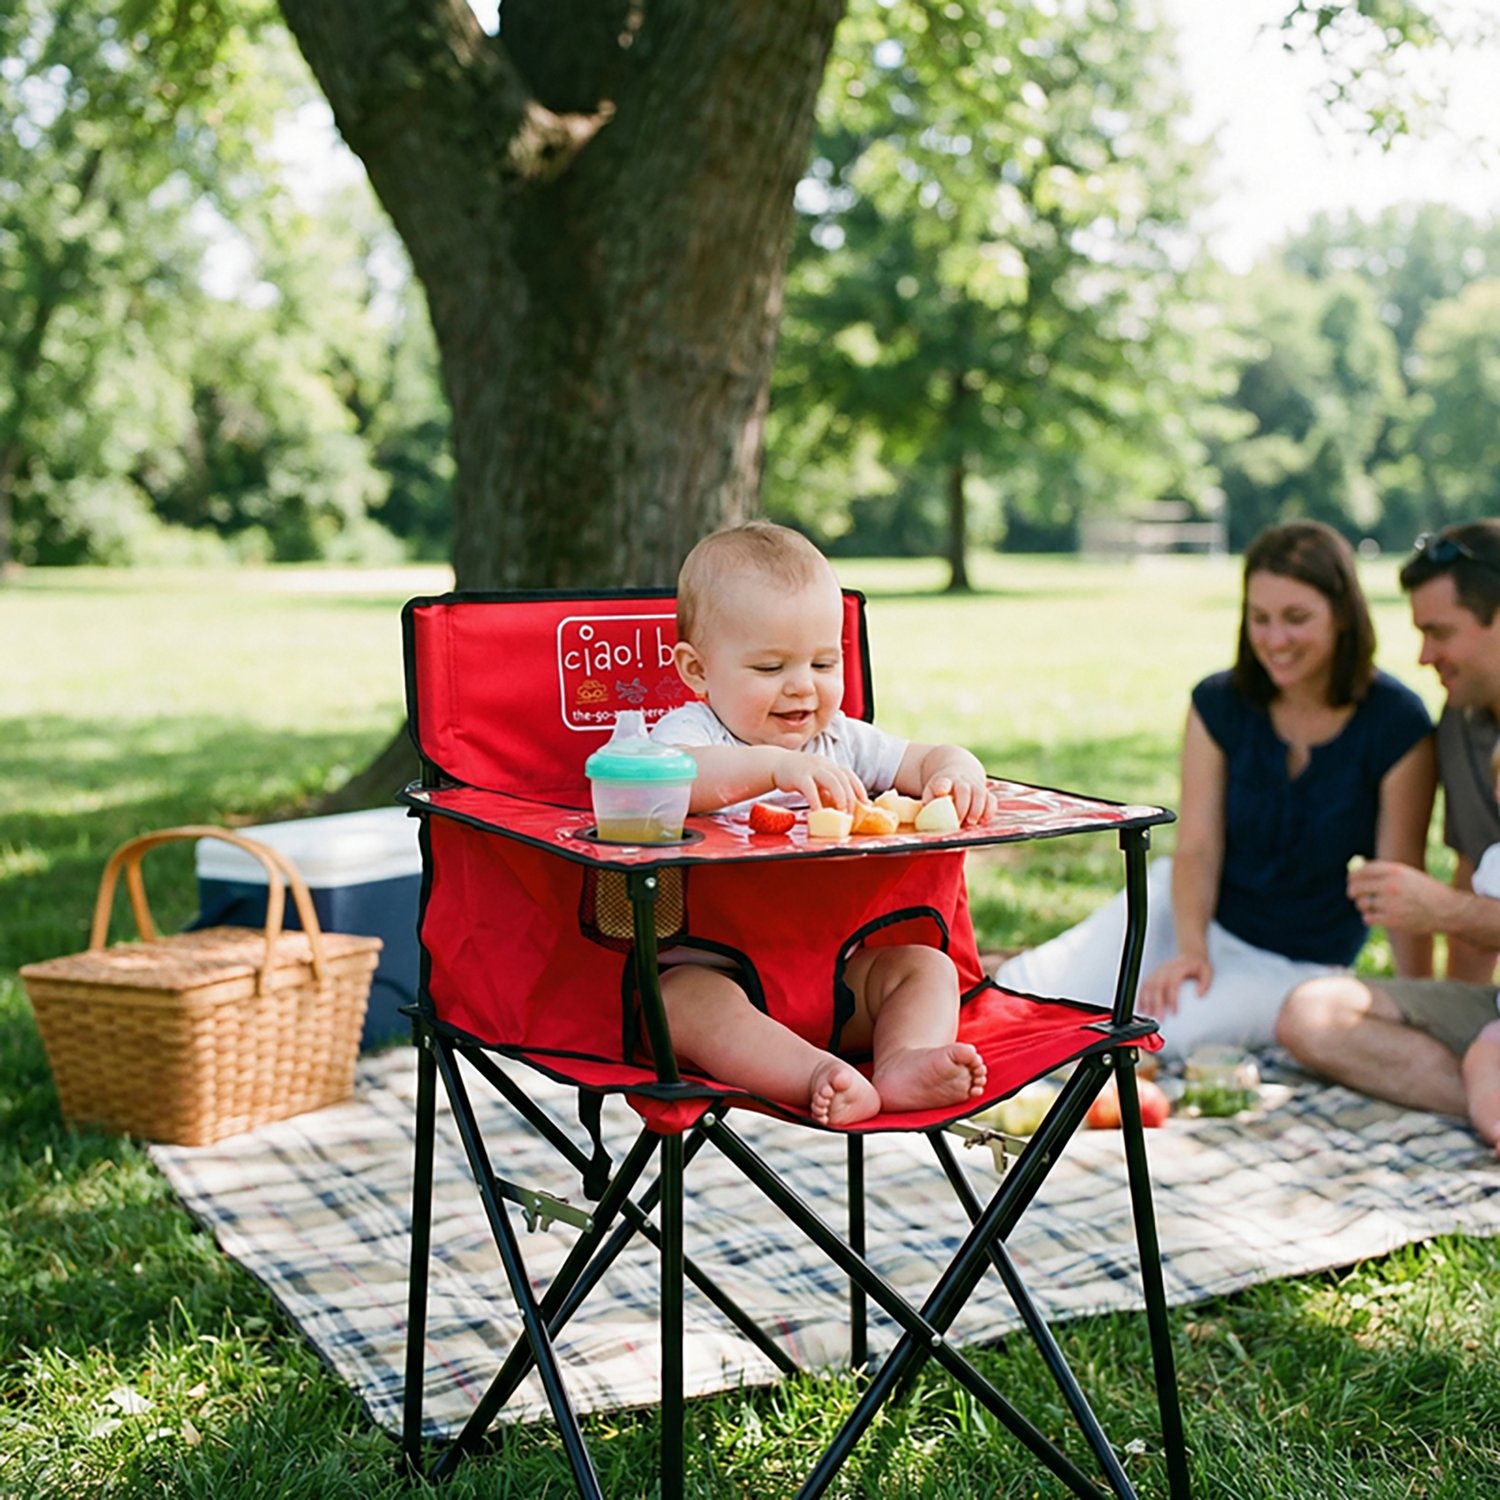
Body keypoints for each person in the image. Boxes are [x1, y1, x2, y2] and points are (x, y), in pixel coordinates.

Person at [996, 520, 1435, 1061]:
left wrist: (1421, 1003)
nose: (1275, 639)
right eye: (1260, 618)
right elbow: (1198, 847)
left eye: (1296, 618)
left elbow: (1401, 883)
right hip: (1189, 913)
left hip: (1295, 961)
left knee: (1155, 1035)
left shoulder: (1398, 724)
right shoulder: (1219, 703)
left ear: (1343, 615)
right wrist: (1191, 949)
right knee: (1022, 992)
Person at [651, 520, 996, 1127]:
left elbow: (923, 759)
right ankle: (813, 1074)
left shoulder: (841, 741)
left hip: (836, 979)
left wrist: (956, 771)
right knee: (675, 1002)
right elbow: (668, 783)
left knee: (926, 968)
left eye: (823, 662)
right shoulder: (690, 734)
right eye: (769, 668)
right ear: (697, 670)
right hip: (721, 974)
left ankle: (903, 1061)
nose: (802, 687)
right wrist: (774, 767)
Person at [1277, 522, 1500, 1154]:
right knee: (1311, 1015)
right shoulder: (1462, 723)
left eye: (1440, 632)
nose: (1425, 655)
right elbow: (1473, 872)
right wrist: (1454, 1013)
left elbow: (1459, 906)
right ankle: (1486, 1096)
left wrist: (1444, 910)